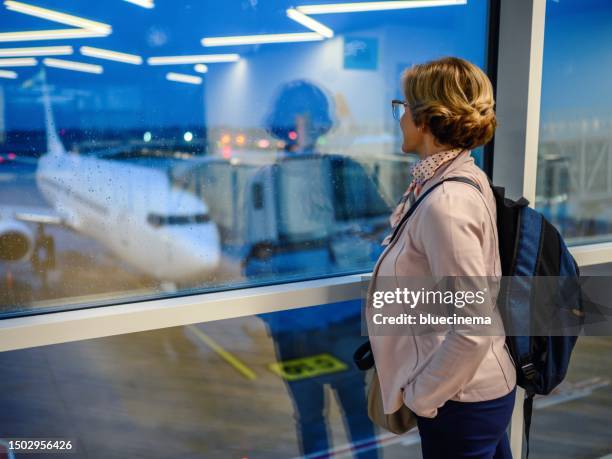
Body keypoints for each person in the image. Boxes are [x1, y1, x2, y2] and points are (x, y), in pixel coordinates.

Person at [368, 57, 517, 459]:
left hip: (461, 402)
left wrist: (422, 397)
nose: (398, 119)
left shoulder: (446, 202)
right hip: (472, 394)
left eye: (402, 109)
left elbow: (474, 324)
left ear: (427, 119)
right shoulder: (454, 178)